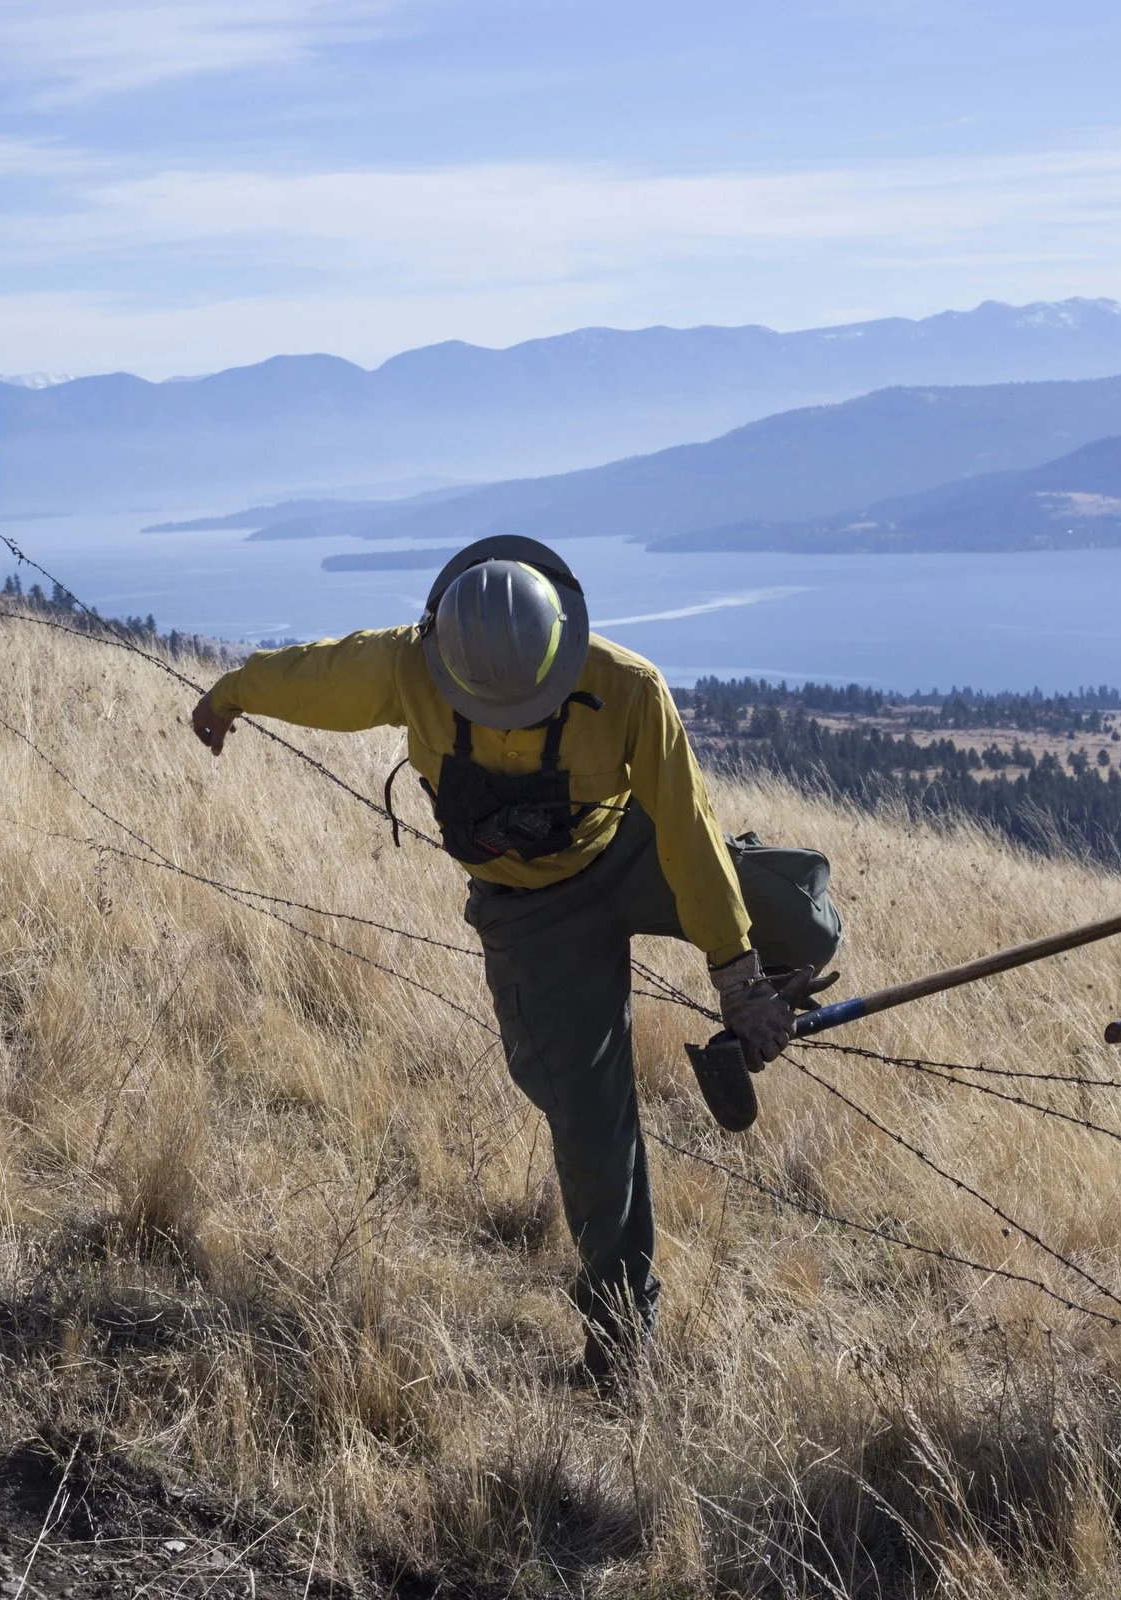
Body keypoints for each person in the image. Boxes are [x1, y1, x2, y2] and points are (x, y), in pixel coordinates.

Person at [190, 537, 842, 1385]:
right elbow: (315, 674)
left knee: (808, 927)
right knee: (590, 1120)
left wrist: (740, 979)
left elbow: (684, 828)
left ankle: (758, 991)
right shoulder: (404, 664)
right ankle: (621, 1340)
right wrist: (233, 692)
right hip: (532, 915)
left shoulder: (628, 688)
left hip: (633, 852)